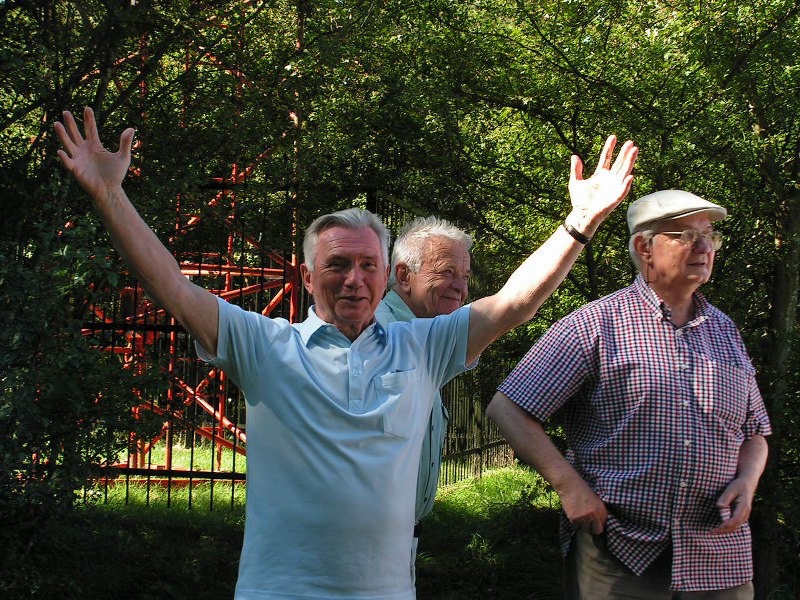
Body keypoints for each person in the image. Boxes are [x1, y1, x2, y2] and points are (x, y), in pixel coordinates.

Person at [55, 106, 637, 599]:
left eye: (367, 265)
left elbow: (514, 303)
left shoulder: (424, 347)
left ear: (386, 277)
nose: (354, 279)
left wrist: (581, 220)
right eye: (337, 264)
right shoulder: (266, 347)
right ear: (309, 277)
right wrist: (110, 196)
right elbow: (176, 290)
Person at [487, 190, 771, 599]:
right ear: (644, 248)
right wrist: (569, 487)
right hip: (619, 551)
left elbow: (755, 431)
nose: (705, 247)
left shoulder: (725, 331)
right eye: (688, 236)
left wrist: (748, 479)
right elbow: (508, 409)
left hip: (718, 555)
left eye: (709, 236)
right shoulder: (594, 325)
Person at [374, 216, 473, 581]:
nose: (460, 287)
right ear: (404, 276)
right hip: (361, 547)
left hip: (400, 544)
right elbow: (511, 308)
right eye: (447, 272)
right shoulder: (377, 333)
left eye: (465, 276)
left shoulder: (424, 335)